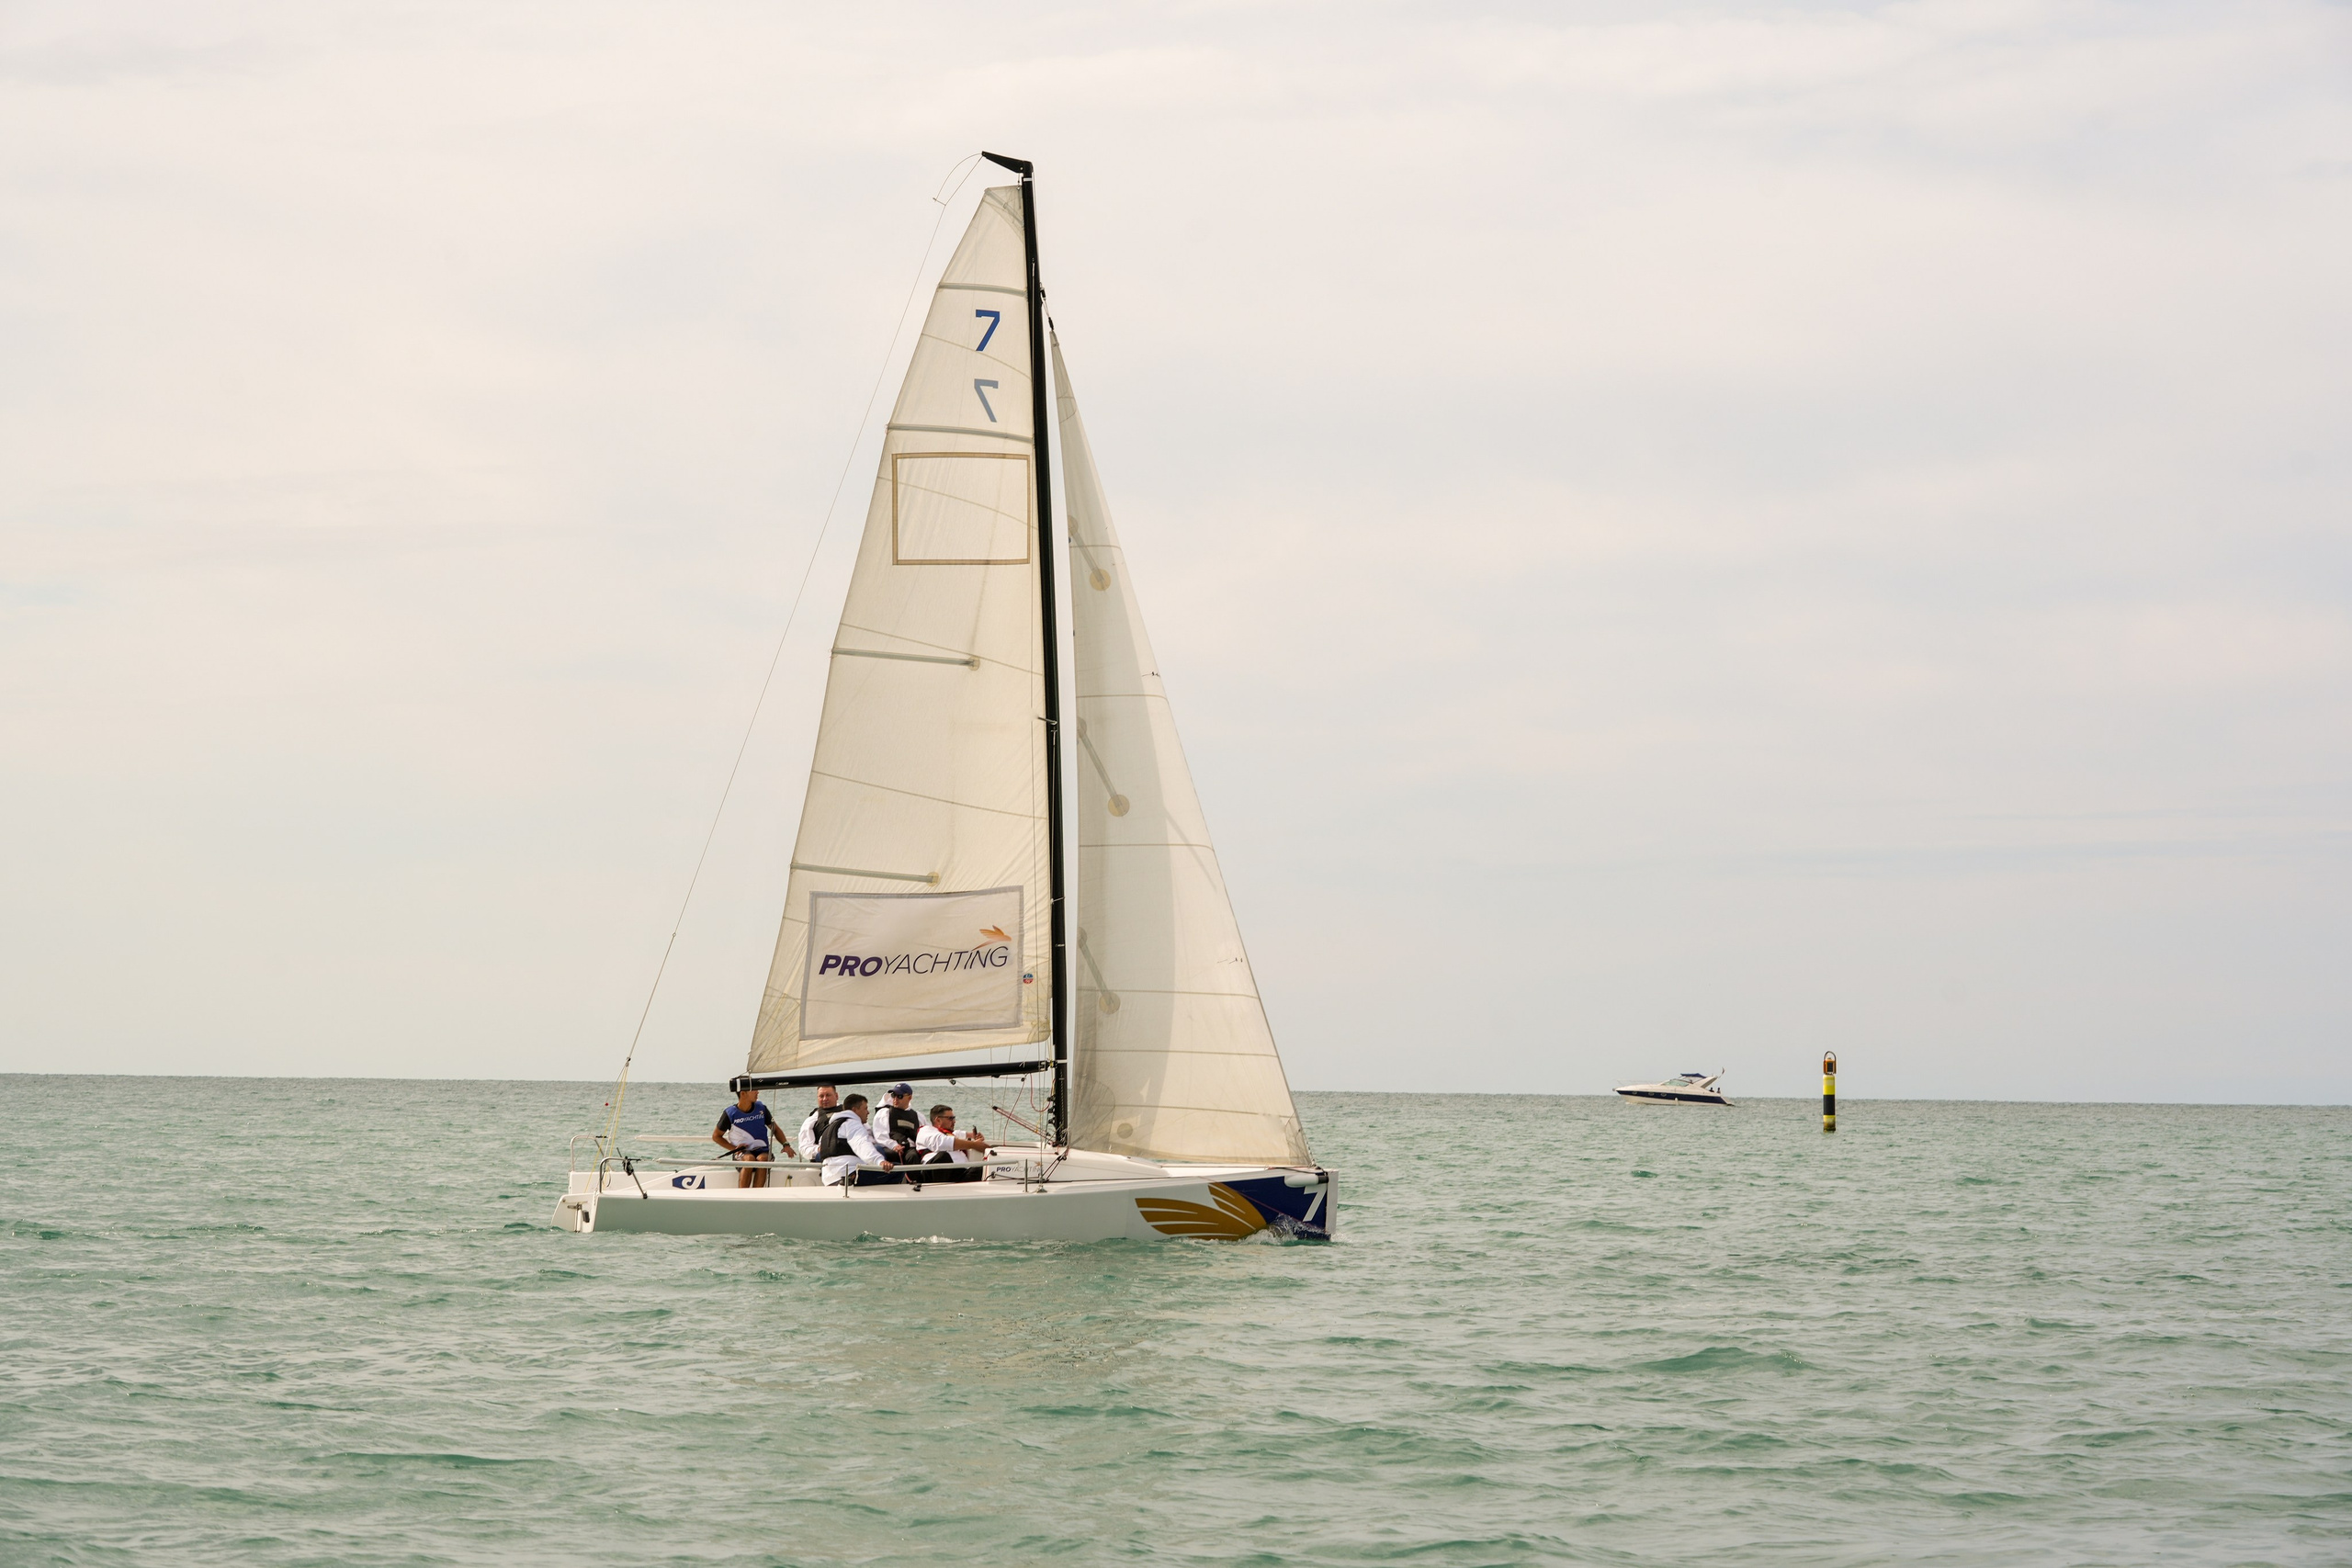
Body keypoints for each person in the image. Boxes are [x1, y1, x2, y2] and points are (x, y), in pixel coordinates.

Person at [712, 1081, 791, 1189]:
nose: (757, 1092)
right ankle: (742, 1198)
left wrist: (785, 1144)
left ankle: (757, 1197)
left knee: (762, 1160)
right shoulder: (730, 1113)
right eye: (754, 1090)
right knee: (749, 1159)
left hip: (763, 1152)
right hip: (743, 1154)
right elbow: (716, 1136)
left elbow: (775, 1129)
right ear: (743, 1094)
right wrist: (734, 1148)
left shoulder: (762, 1108)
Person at [815, 1093, 899, 1187]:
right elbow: (861, 1144)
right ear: (854, 1110)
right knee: (898, 1170)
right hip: (849, 1175)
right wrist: (880, 1161)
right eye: (865, 1108)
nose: (868, 1112)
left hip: (829, 1180)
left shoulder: (829, 1128)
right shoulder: (852, 1123)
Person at [910, 1104, 990, 1185]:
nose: (954, 1121)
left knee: (984, 1169)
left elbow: (958, 1134)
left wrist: (973, 1136)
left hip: (960, 1172)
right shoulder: (926, 1130)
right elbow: (942, 1142)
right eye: (951, 1118)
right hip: (936, 1173)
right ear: (938, 1120)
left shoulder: (949, 1134)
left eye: (954, 1118)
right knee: (943, 1157)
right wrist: (974, 1145)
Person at [870, 1083, 922, 1165]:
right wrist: (894, 1145)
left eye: (900, 1096)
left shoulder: (918, 1116)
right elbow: (880, 1136)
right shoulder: (884, 1113)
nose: (896, 1099)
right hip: (890, 1148)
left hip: (911, 1149)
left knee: (913, 1156)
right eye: (894, 1095)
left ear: (909, 1097)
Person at [797, 1084, 840, 1166]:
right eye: (821, 1096)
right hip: (824, 1162)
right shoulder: (812, 1120)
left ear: (836, 1096)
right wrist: (820, 1149)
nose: (825, 1099)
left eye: (828, 1095)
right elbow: (804, 1148)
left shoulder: (849, 1113)